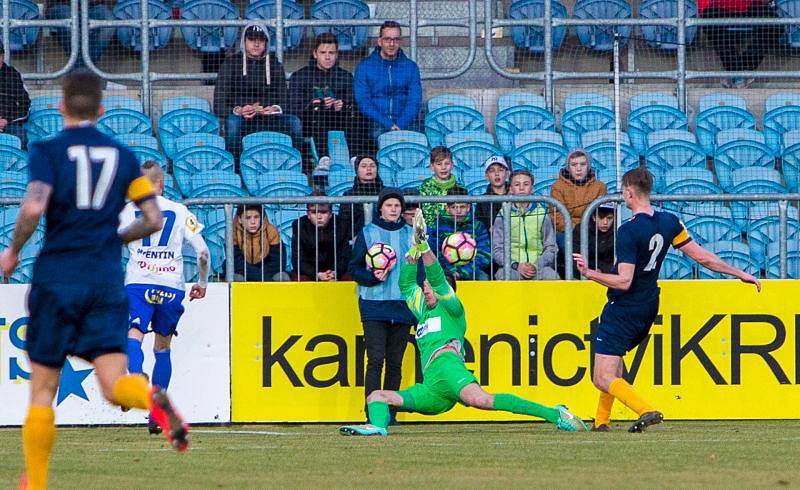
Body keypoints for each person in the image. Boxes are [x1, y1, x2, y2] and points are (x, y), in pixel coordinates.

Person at [0, 70, 188, 489]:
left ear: (61, 106)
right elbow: (153, 218)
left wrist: (13, 250)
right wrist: (116, 236)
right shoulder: (122, 156)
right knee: (114, 383)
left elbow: (33, 207)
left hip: (57, 278)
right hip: (105, 281)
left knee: (43, 390)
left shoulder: (48, 150)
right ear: (101, 110)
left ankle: (39, 483)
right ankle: (149, 398)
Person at [338, 209, 588, 436]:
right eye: (424, 287)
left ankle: (555, 413)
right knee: (376, 396)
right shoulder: (423, 309)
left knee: (483, 400)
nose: (426, 290)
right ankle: (378, 428)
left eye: (429, 288)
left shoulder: (452, 308)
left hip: (449, 367)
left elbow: (436, 278)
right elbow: (405, 283)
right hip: (432, 386)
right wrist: (413, 250)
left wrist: (424, 246)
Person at [573, 167, 761, 433]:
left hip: (624, 307)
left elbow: (624, 281)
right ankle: (601, 422)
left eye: (624, 194)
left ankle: (646, 410)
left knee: (601, 377)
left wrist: (589, 273)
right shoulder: (670, 221)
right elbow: (702, 257)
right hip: (648, 305)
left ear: (629, 193)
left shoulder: (628, 230)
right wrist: (739, 273)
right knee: (614, 364)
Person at [119, 161, 209, 435]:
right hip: (171, 287)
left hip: (138, 283)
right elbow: (203, 253)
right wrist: (202, 283)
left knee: (134, 334)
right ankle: (157, 415)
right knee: (163, 348)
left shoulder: (127, 210)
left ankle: (136, 376)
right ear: (162, 183)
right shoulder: (180, 211)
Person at [348, 188, 419, 421]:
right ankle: (372, 413)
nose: (393, 209)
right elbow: (354, 268)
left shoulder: (411, 234)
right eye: (389, 205)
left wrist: (419, 305)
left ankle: (390, 413)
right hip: (374, 304)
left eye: (397, 206)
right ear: (381, 208)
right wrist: (371, 277)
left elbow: (419, 272)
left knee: (396, 363)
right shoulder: (368, 233)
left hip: (402, 305)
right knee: (376, 359)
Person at [214, 23, 303, 161]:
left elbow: (286, 102)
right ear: (244, 41)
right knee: (232, 124)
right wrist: (239, 110)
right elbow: (218, 105)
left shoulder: (275, 65)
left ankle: (295, 168)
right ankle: (236, 170)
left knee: (295, 122)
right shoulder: (229, 64)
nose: (256, 44)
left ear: (266, 43)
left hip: (270, 118)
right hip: (242, 119)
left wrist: (275, 108)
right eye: (252, 39)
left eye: (260, 40)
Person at [289, 33, 357, 171]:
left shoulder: (345, 76)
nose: (327, 57)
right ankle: (323, 158)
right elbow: (294, 108)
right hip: (310, 123)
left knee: (354, 113)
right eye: (323, 52)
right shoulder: (300, 76)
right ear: (315, 54)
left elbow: (353, 102)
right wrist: (314, 103)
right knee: (318, 109)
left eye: (331, 52)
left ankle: (354, 157)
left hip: (339, 120)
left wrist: (342, 104)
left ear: (337, 54)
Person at [354, 20, 422, 153]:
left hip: (406, 122)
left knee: (418, 138)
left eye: (396, 39)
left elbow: (414, 101)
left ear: (400, 42)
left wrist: (400, 124)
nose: (391, 44)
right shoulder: (364, 67)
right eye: (387, 39)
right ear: (379, 41)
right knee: (377, 136)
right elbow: (363, 102)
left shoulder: (411, 67)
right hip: (376, 122)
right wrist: (389, 124)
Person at [492, 170, 559, 280]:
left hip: (538, 268)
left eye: (526, 184)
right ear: (511, 189)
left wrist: (536, 265)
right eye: (517, 184)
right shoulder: (503, 215)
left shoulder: (542, 213)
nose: (522, 188)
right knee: (504, 276)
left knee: (552, 276)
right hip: (512, 268)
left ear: (532, 188)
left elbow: (551, 247)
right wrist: (516, 265)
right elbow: (497, 250)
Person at [700, 0, 781, 87]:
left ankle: (744, 66)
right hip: (720, 7)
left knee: (776, 25)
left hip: (752, 6)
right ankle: (734, 68)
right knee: (707, 20)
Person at [551, 149, 607, 275]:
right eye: (574, 165)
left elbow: (601, 213)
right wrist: (575, 231)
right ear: (568, 167)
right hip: (567, 231)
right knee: (566, 243)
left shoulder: (600, 187)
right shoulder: (557, 187)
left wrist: (588, 230)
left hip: (592, 230)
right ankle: (575, 276)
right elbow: (557, 215)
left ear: (588, 166)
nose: (578, 169)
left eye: (582, 164)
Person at [427, 186, 491, 280]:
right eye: (454, 207)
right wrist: (451, 270)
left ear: (468, 207)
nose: (458, 211)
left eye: (462, 207)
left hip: (471, 271)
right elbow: (435, 252)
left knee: (483, 277)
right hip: (445, 270)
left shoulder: (477, 226)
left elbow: (484, 254)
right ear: (447, 208)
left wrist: (463, 272)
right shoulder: (437, 226)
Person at [289, 192, 352, 281]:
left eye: (323, 212)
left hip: (335, 270)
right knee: (300, 279)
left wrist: (335, 272)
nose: (319, 216)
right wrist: (317, 274)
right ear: (308, 214)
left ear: (330, 214)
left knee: (351, 276)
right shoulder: (299, 226)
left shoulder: (342, 225)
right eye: (314, 212)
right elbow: (298, 260)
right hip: (310, 272)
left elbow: (346, 256)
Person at [225, 204, 289, 281]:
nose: (253, 222)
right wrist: (259, 277)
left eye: (256, 217)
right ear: (240, 220)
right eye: (248, 218)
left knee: (282, 277)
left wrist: (262, 277)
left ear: (261, 218)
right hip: (243, 272)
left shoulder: (271, 231)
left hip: (267, 271)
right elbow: (237, 263)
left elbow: (277, 263)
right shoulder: (232, 232)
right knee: (236, 278)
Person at [45, 0, 113, 70]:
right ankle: (84, 71)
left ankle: (82, 69)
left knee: (109, 23)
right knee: (70, 23)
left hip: (91, 9)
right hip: (61, 7)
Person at [338, 155, 384, 241]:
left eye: (372, 166)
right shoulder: (348, 195)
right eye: (364, 166)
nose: (369, 169)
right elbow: (343, 223)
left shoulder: (386, 193)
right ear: (357, 170)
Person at [571, 202, 616, 279]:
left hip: (608, 274)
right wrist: (590, 271)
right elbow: (575, 256)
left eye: (609, 218)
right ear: (594, 217)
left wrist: (602, 270)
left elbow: (617, 259)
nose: (605, 222)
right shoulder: (581, 230)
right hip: (582, 274)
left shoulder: (618, 231)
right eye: (601, 218)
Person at [419, 146, 462, 225]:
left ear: (452, 165)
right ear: (432, 167)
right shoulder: (425, 187)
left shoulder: (460, 187)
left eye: (447, 163)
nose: (443, 167)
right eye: (439, 164)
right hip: (432, 231)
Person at [0, 44, 30, 148]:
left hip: (9, 123)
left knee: (21, 138)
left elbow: (25, 105)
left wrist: (6, 120)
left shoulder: (12, 74)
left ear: (3, 56)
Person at [475, 155, 510, 231]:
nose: (496, 173)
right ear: (486, 176)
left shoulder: (515, 196)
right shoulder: (482, 201)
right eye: (492, 171)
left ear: (507, 173)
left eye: (500, 170)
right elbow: (479, 225)